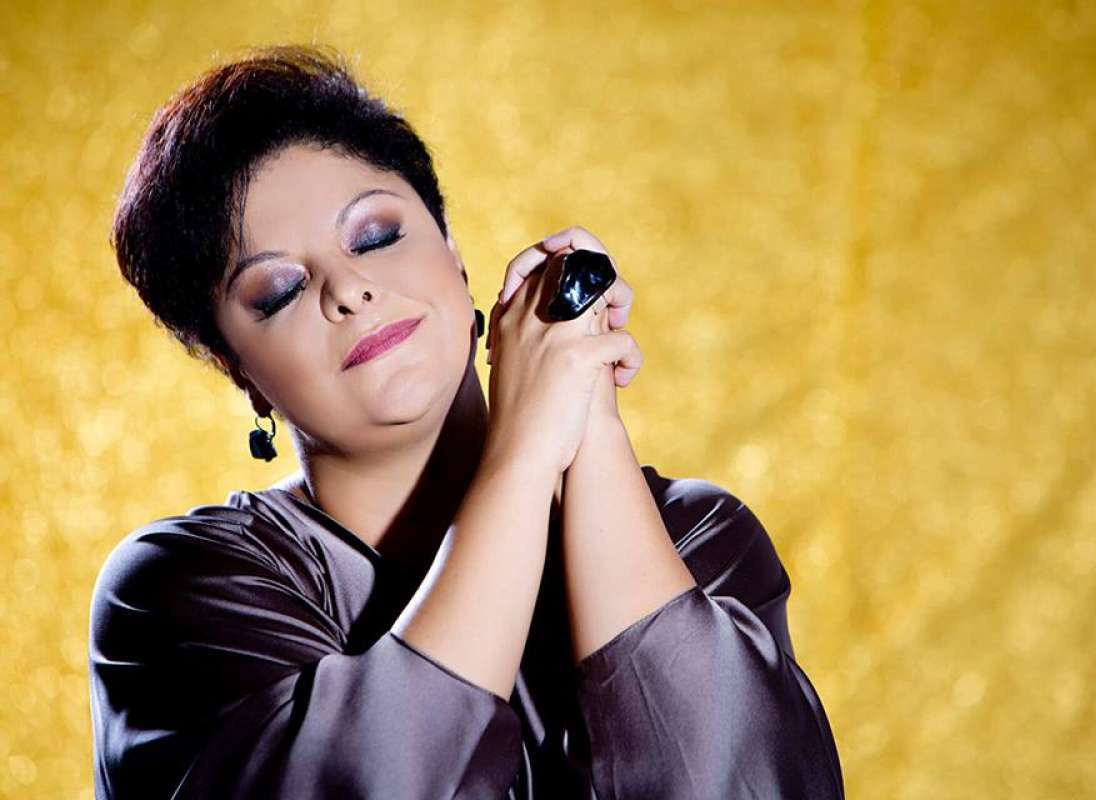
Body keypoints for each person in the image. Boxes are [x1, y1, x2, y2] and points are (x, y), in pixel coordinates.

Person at [87, 43, 844, 799]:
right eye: (280, 290)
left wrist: (589, 427)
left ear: (454, 254)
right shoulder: (181, 590)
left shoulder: (693, 536)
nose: (348, 289)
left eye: (375, 237)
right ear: (240, 373)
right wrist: (524, 451)